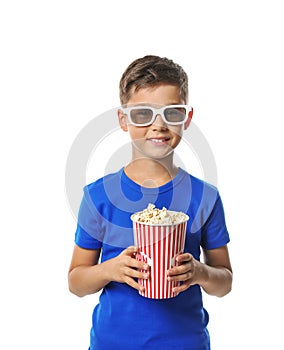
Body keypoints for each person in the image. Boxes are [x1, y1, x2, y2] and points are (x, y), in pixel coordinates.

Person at [68, 55, 233, 350]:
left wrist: (200, 272)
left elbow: (225, 281)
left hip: (185, 343)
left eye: (172, 113)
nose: (158, 126)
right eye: (143, 114)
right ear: (123, 119)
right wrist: (110, 270)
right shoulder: (98, 196)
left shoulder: (205, 197)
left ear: (187, 118)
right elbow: (76, 281)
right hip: (112, 343)